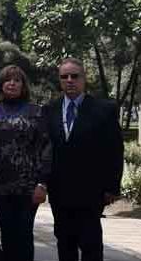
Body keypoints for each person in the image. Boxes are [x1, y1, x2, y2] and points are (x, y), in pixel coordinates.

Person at [45, 57, 124, 261]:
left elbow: (115, 150)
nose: (69, 80)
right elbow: (45, 149)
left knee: (91, 245)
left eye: (74, 76)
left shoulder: (104, 109)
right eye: (64, 77)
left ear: (84, 78)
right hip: (59, 191)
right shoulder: (49, 110)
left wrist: (113, 187)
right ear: (60, 80)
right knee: (65, 244)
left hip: (91, 191)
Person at [0, 65, 51, 261]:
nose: (12, 83)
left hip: (28, 187)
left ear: (23, 85)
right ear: (1, 85)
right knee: (8, 233)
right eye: (7, 80)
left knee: (24, 234)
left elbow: (46, 148)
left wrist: (42, 183)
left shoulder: (37, 111)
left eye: (17, 80)